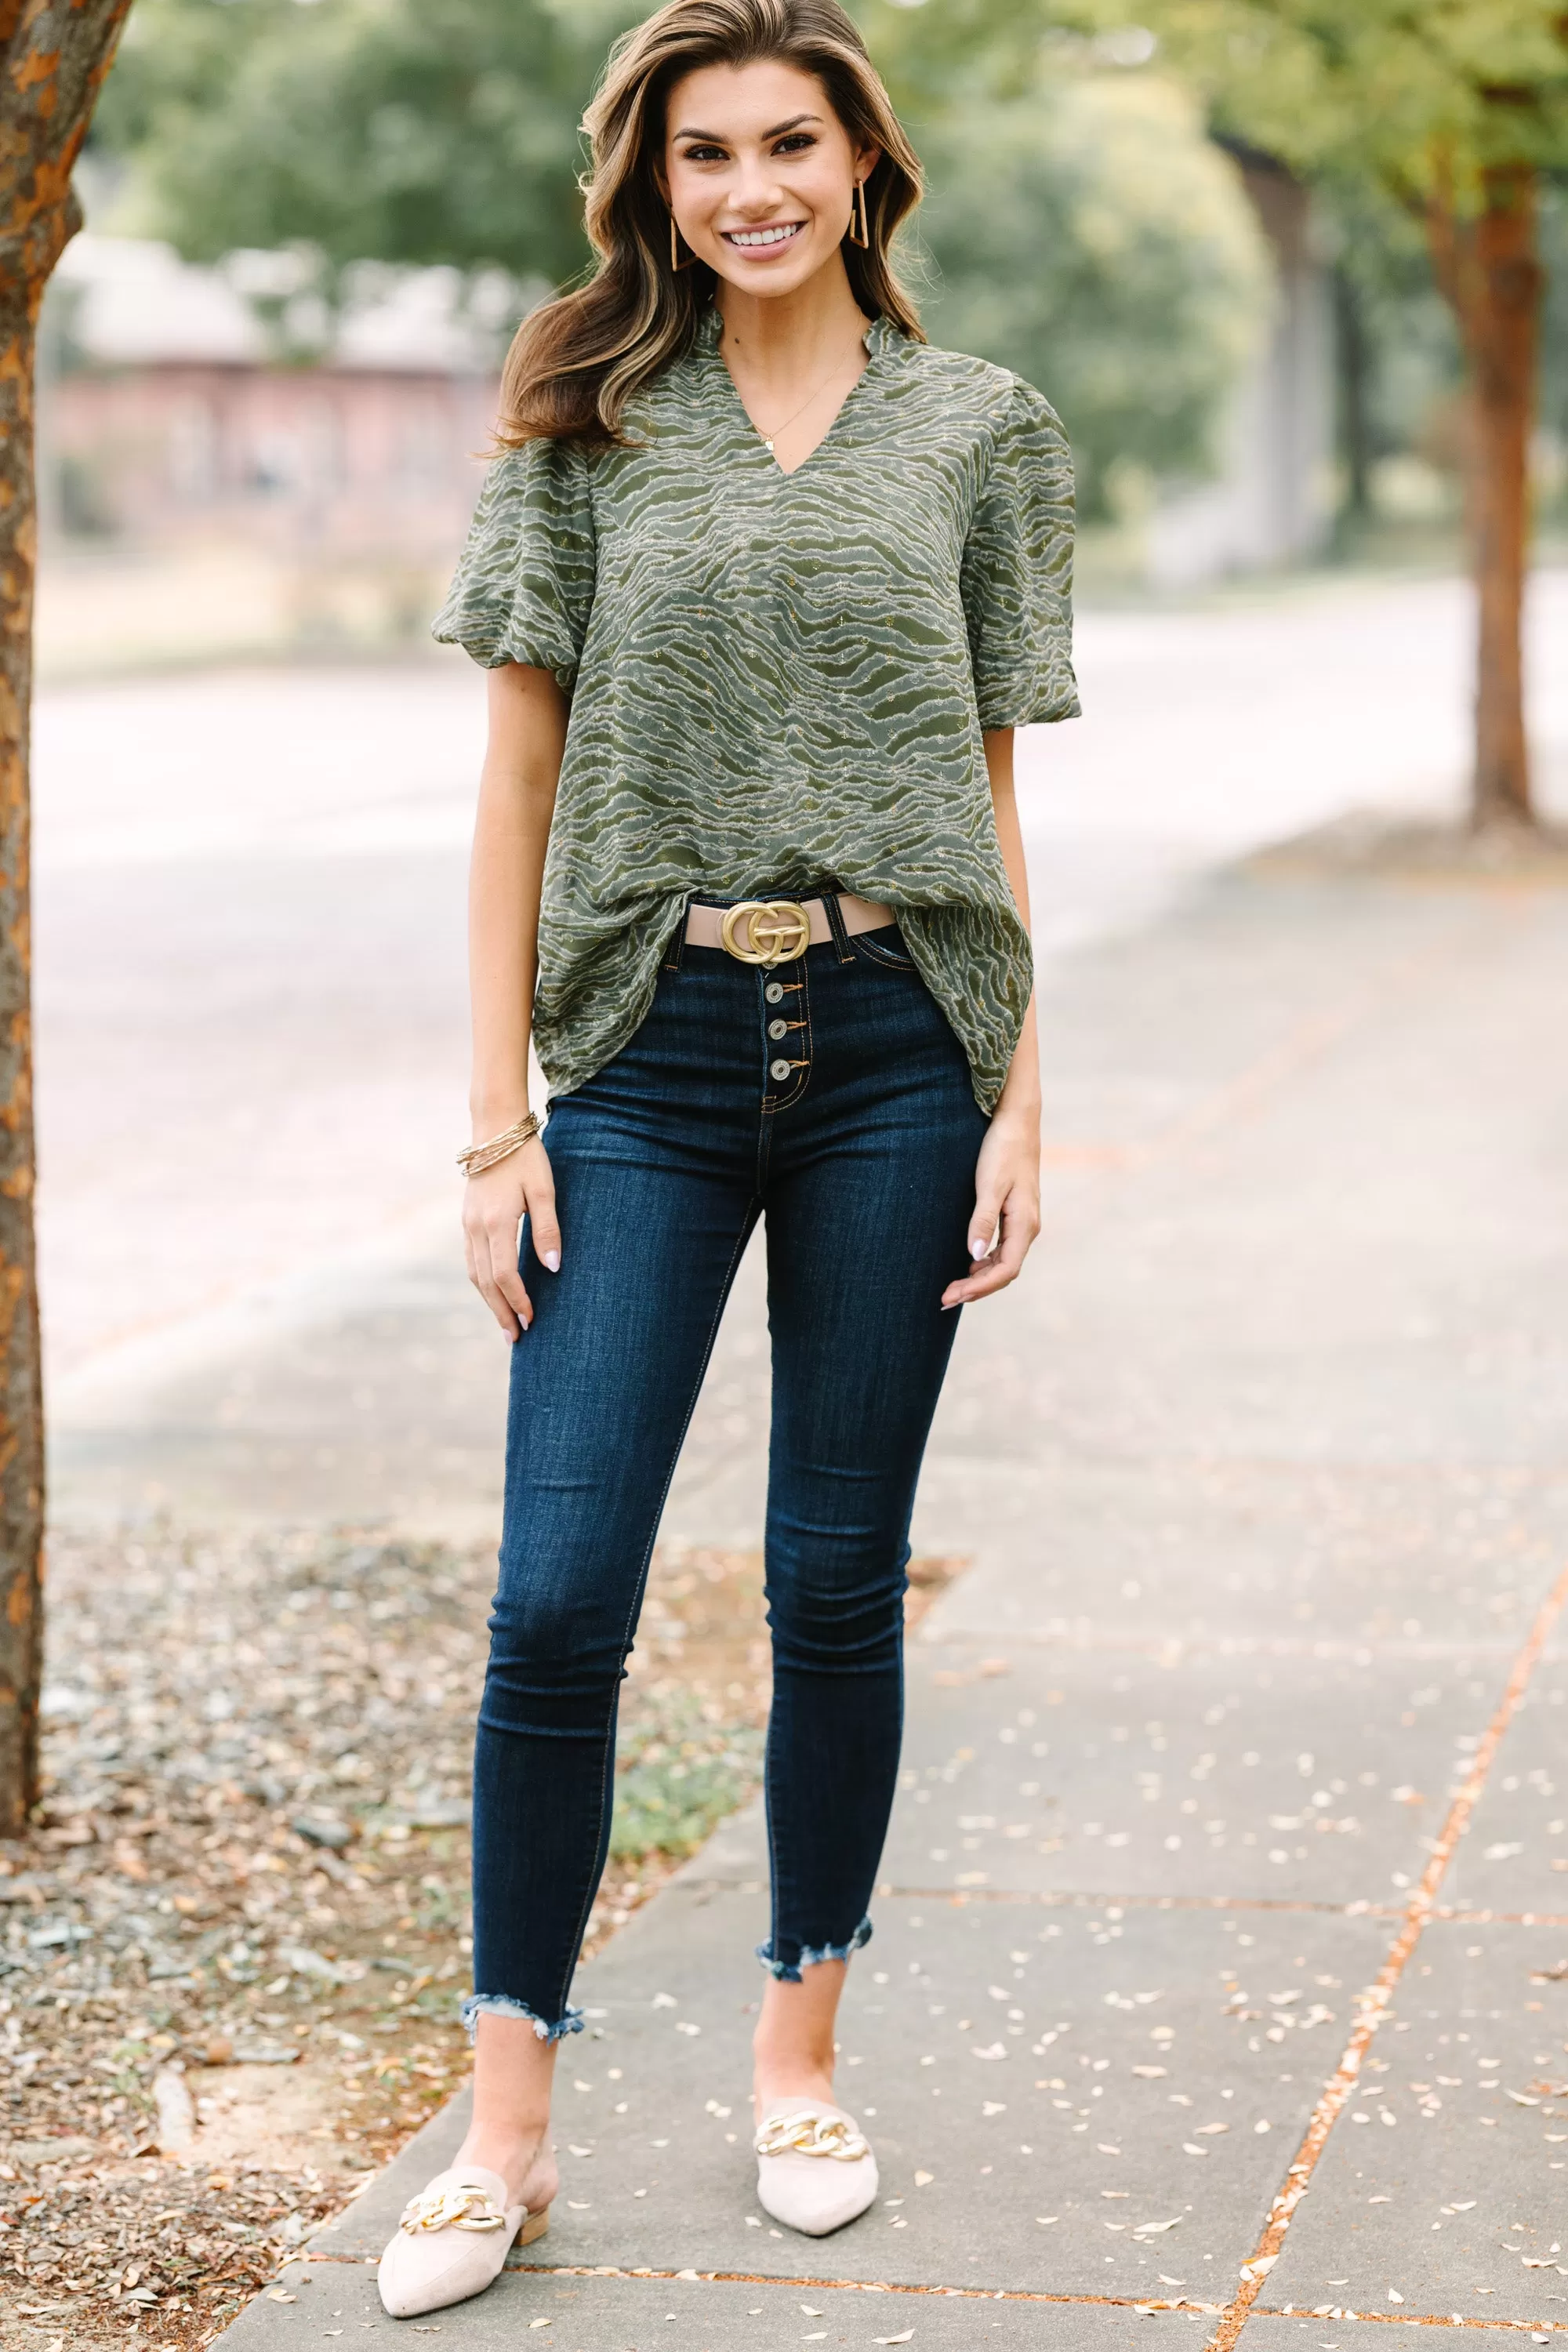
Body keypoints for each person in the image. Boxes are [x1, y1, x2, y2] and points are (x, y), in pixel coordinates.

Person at [376, 0, 1078, 2318]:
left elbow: (987, 785)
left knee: (832, 1579)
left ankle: (799, 2065)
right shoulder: (581, 421)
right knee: (559, 1592)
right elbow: (511, 787)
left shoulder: (980, 430)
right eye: (704, 153)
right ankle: (503, 2138)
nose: (748, 187)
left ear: (867, 161)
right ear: (651, 180)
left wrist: (1020, 1084)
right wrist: (497, 1126)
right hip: (642, 1050)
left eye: (791, 142)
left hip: (900, 1044)